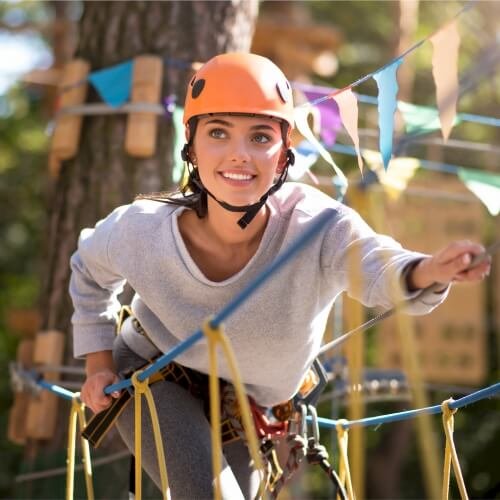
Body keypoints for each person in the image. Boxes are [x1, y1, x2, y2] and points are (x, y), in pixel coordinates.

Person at [70, 53, 490, 499]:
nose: (239, 154)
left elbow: (376, 264)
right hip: (153, 376)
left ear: (284, 153)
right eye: (217, 133)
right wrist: (98, 365)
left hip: (250, 409)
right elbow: (88, 271)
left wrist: (426, 270)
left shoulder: (317, 227)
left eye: (260, 136)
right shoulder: (143, 229)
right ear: (190, 147)